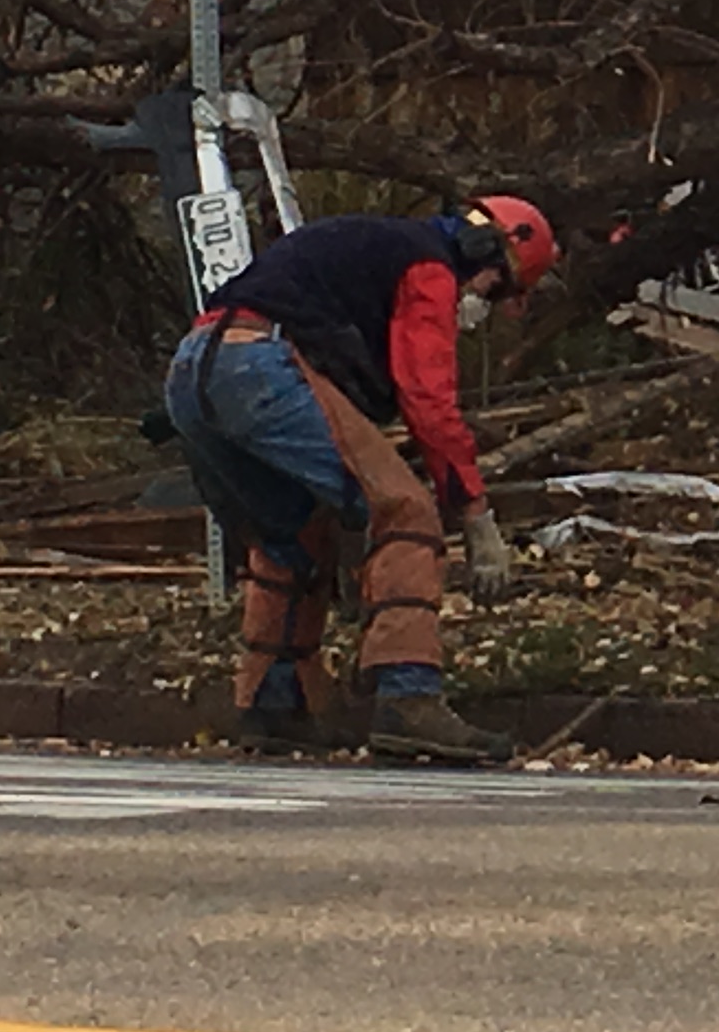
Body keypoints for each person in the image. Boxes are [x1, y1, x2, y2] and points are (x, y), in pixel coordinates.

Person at [162, 196, 557, 764]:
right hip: (261, 366)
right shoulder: (429, 265)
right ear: (485, 250)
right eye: (497, 288)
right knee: (405, 511)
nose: (485, 304)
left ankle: (275, 703)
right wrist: (474, 513)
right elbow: (429, 401)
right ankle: (408, 695)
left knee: (293, 535)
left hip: (193, 369)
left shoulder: (370, 249)